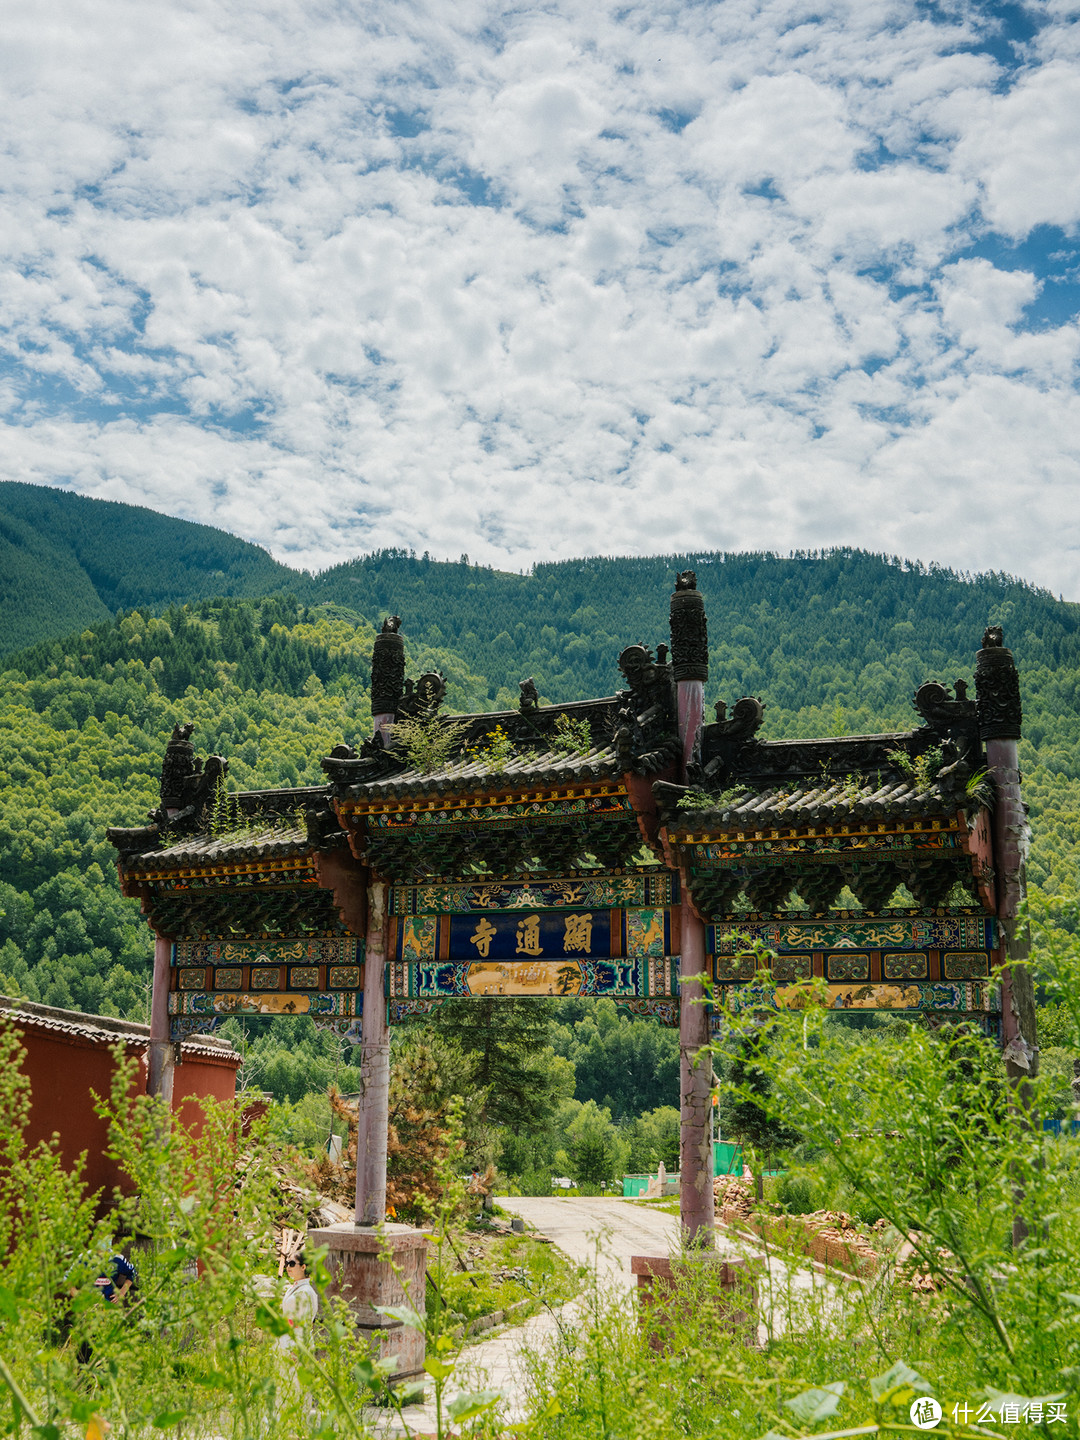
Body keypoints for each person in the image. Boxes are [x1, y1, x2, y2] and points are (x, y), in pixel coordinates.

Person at [279, 1252, 318, 1352]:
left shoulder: (306, 1291)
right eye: (287, 1263)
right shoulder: (292, 1288)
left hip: (297, 1344)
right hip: (287, 1339)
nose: (288, 1267)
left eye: (292, 1263)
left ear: (303, 1267)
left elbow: (304, 1325)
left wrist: (297, 1349)